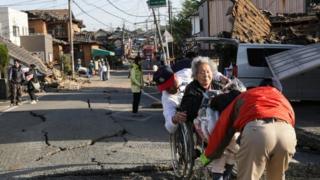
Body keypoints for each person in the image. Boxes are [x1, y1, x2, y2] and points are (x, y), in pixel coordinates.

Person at [200, 79, 296, 180]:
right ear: (279, 91)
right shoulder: (283, 100)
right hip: (287, 134)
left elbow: (222, 129)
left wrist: (206, 157)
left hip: (257, 131)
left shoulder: (247, 94)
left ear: (259, 87)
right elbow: (291, 122)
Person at [178, 56, 236, 179]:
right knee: (225, 146)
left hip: (220, 124)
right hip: (201, 126)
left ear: (212, 73)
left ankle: (223, 170)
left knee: (232, 141)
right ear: (195, 75)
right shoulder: (192, 88)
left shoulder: (217, 85)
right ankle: (219, 170)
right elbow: (188, 108)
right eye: (201, 72)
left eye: (208, 72)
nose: (205, 75)